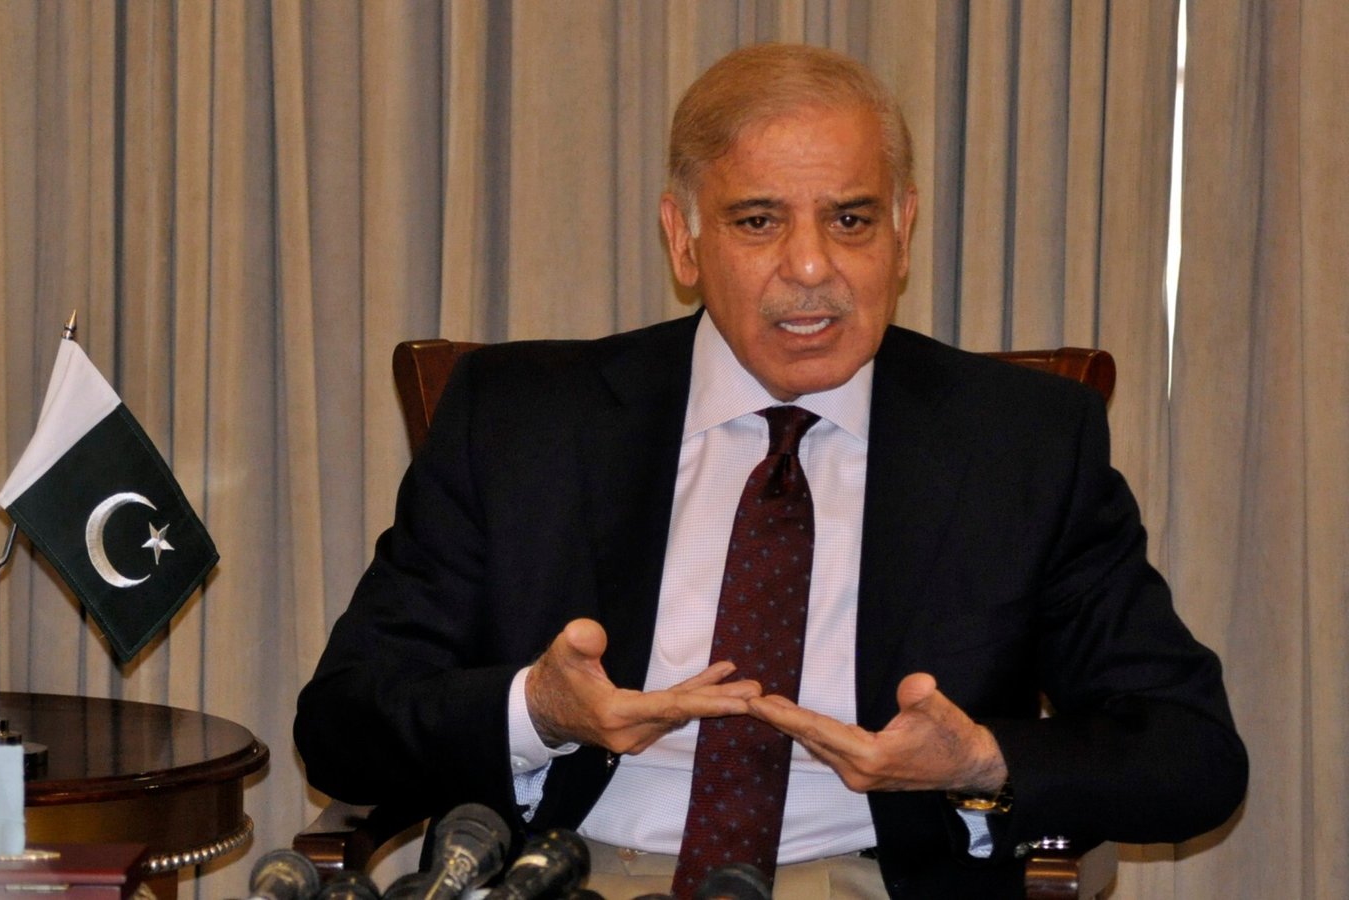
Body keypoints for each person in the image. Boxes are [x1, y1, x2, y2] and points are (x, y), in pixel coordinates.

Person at [295, 43, 1246, 899]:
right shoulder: (521, 420)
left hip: (869, 879)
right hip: (579, 869)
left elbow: (1191, 752)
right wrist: (535, 711)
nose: (811, 266)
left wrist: (981, 759)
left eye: (851, 219)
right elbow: (341, 723)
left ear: (903, 229)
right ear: (683, 238)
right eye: (758, 221)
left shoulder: (1023, 443)